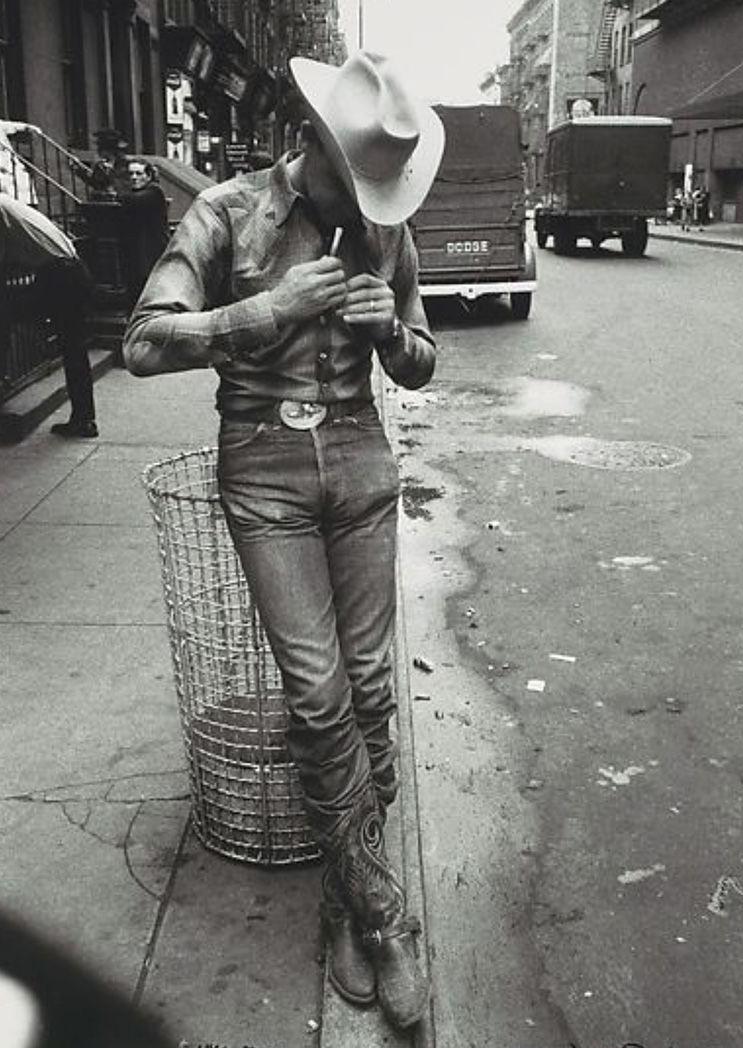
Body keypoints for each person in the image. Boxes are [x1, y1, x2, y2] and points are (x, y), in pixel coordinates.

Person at [123, 50, 444, 1030]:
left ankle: (353, 892)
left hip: (359, 466)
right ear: (310, 143)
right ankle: (382, 918)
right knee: (317, 693)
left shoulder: (386, 230)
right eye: (357, 180)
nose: (369, 203)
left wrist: (391, 330)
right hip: (262, 468)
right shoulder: (224, 211)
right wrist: (257, 314)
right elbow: (141, 340)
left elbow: (424, 362)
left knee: (375, 687)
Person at [0, 193, 97, 438]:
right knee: (74, 348)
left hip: (60, 275)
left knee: (8, 312)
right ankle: (84, 420)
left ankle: (83, 420)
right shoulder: (7, 204)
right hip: (68, 270)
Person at [118, 158, 169, 310]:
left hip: (151, 255)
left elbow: (132, 201)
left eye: (138, 173)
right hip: (137, 256)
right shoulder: (135, 193)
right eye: (131, 174)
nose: (134, 177)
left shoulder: (154, 192)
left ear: (148, 176)